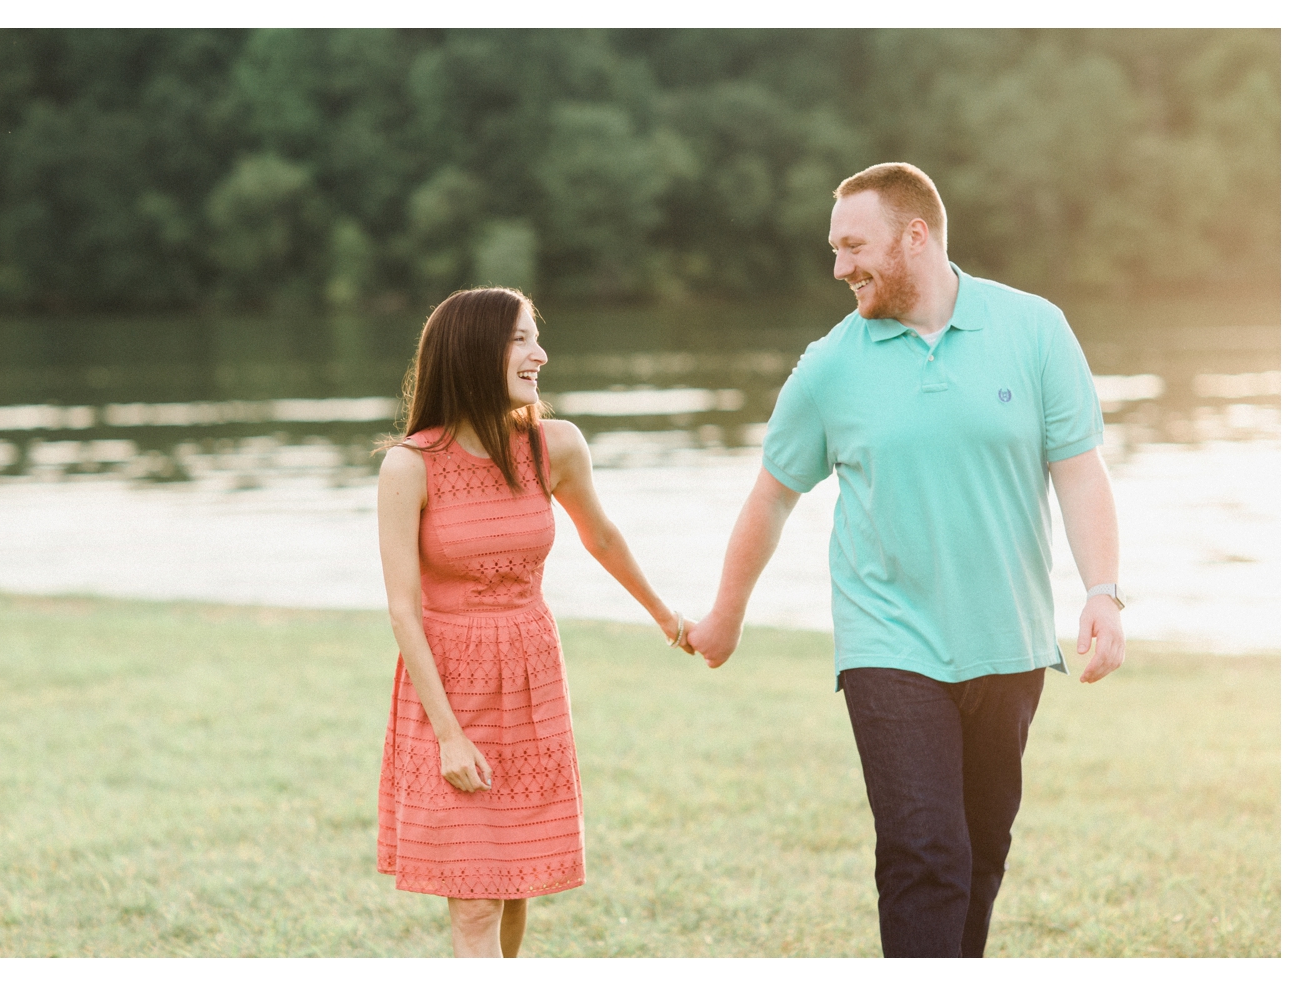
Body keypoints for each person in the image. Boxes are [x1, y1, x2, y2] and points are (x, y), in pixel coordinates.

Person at [686, 163, 1126, 958]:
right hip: (887, 643)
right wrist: (726, 615)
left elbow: (1079, 468)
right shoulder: (830, 364)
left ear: (914, 236)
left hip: (1009, 641)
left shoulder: (1034, 329)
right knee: (928, 855)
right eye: (834, 248)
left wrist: (1103, 589)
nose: (838, 267)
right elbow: (771, 496)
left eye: (853, 245)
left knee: (980, 854)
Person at [375, 286, 694, 957]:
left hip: (531, 678)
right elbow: (403, 607)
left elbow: (601, 538)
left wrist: (666, 616)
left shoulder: (556, 447)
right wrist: (449, 737)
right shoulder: (410, 466)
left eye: (534, 337)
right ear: (474, 352)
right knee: (475, 903)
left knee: (517, 883)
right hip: (450, 689)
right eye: (521, 339)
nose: (540, 354)